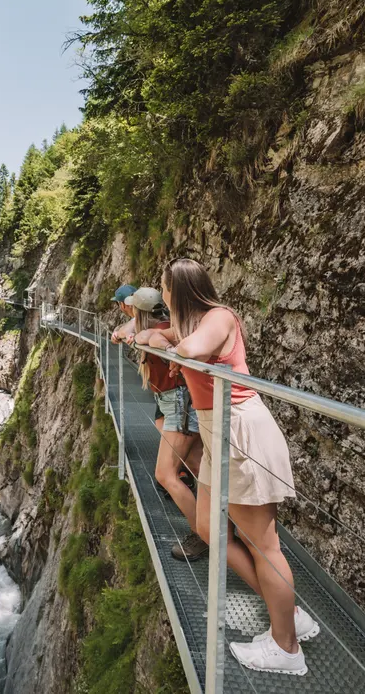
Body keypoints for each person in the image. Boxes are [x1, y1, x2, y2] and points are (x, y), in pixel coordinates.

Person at [134, 258, 319, 676]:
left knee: (264, 546)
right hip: (219, 433)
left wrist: (167, 341)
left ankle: (286, 647)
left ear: (177, 290)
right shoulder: (195, 322)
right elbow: (154, 333)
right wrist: (152, 334)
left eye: (164, 287)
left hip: (241, 433)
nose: (161, 294)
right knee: (206, 526)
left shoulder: (219, 318)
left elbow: (190, 349)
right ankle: (288, 616)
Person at [125, 288, 208, 562]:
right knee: (197, 467)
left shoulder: (157, 332)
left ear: (138, 313)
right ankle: (222, 525)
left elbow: (145, 336)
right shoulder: (167, 326)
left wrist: (139, 336)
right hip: (182, 401)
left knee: (166, 475)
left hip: (178, 403)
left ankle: (203, 534)